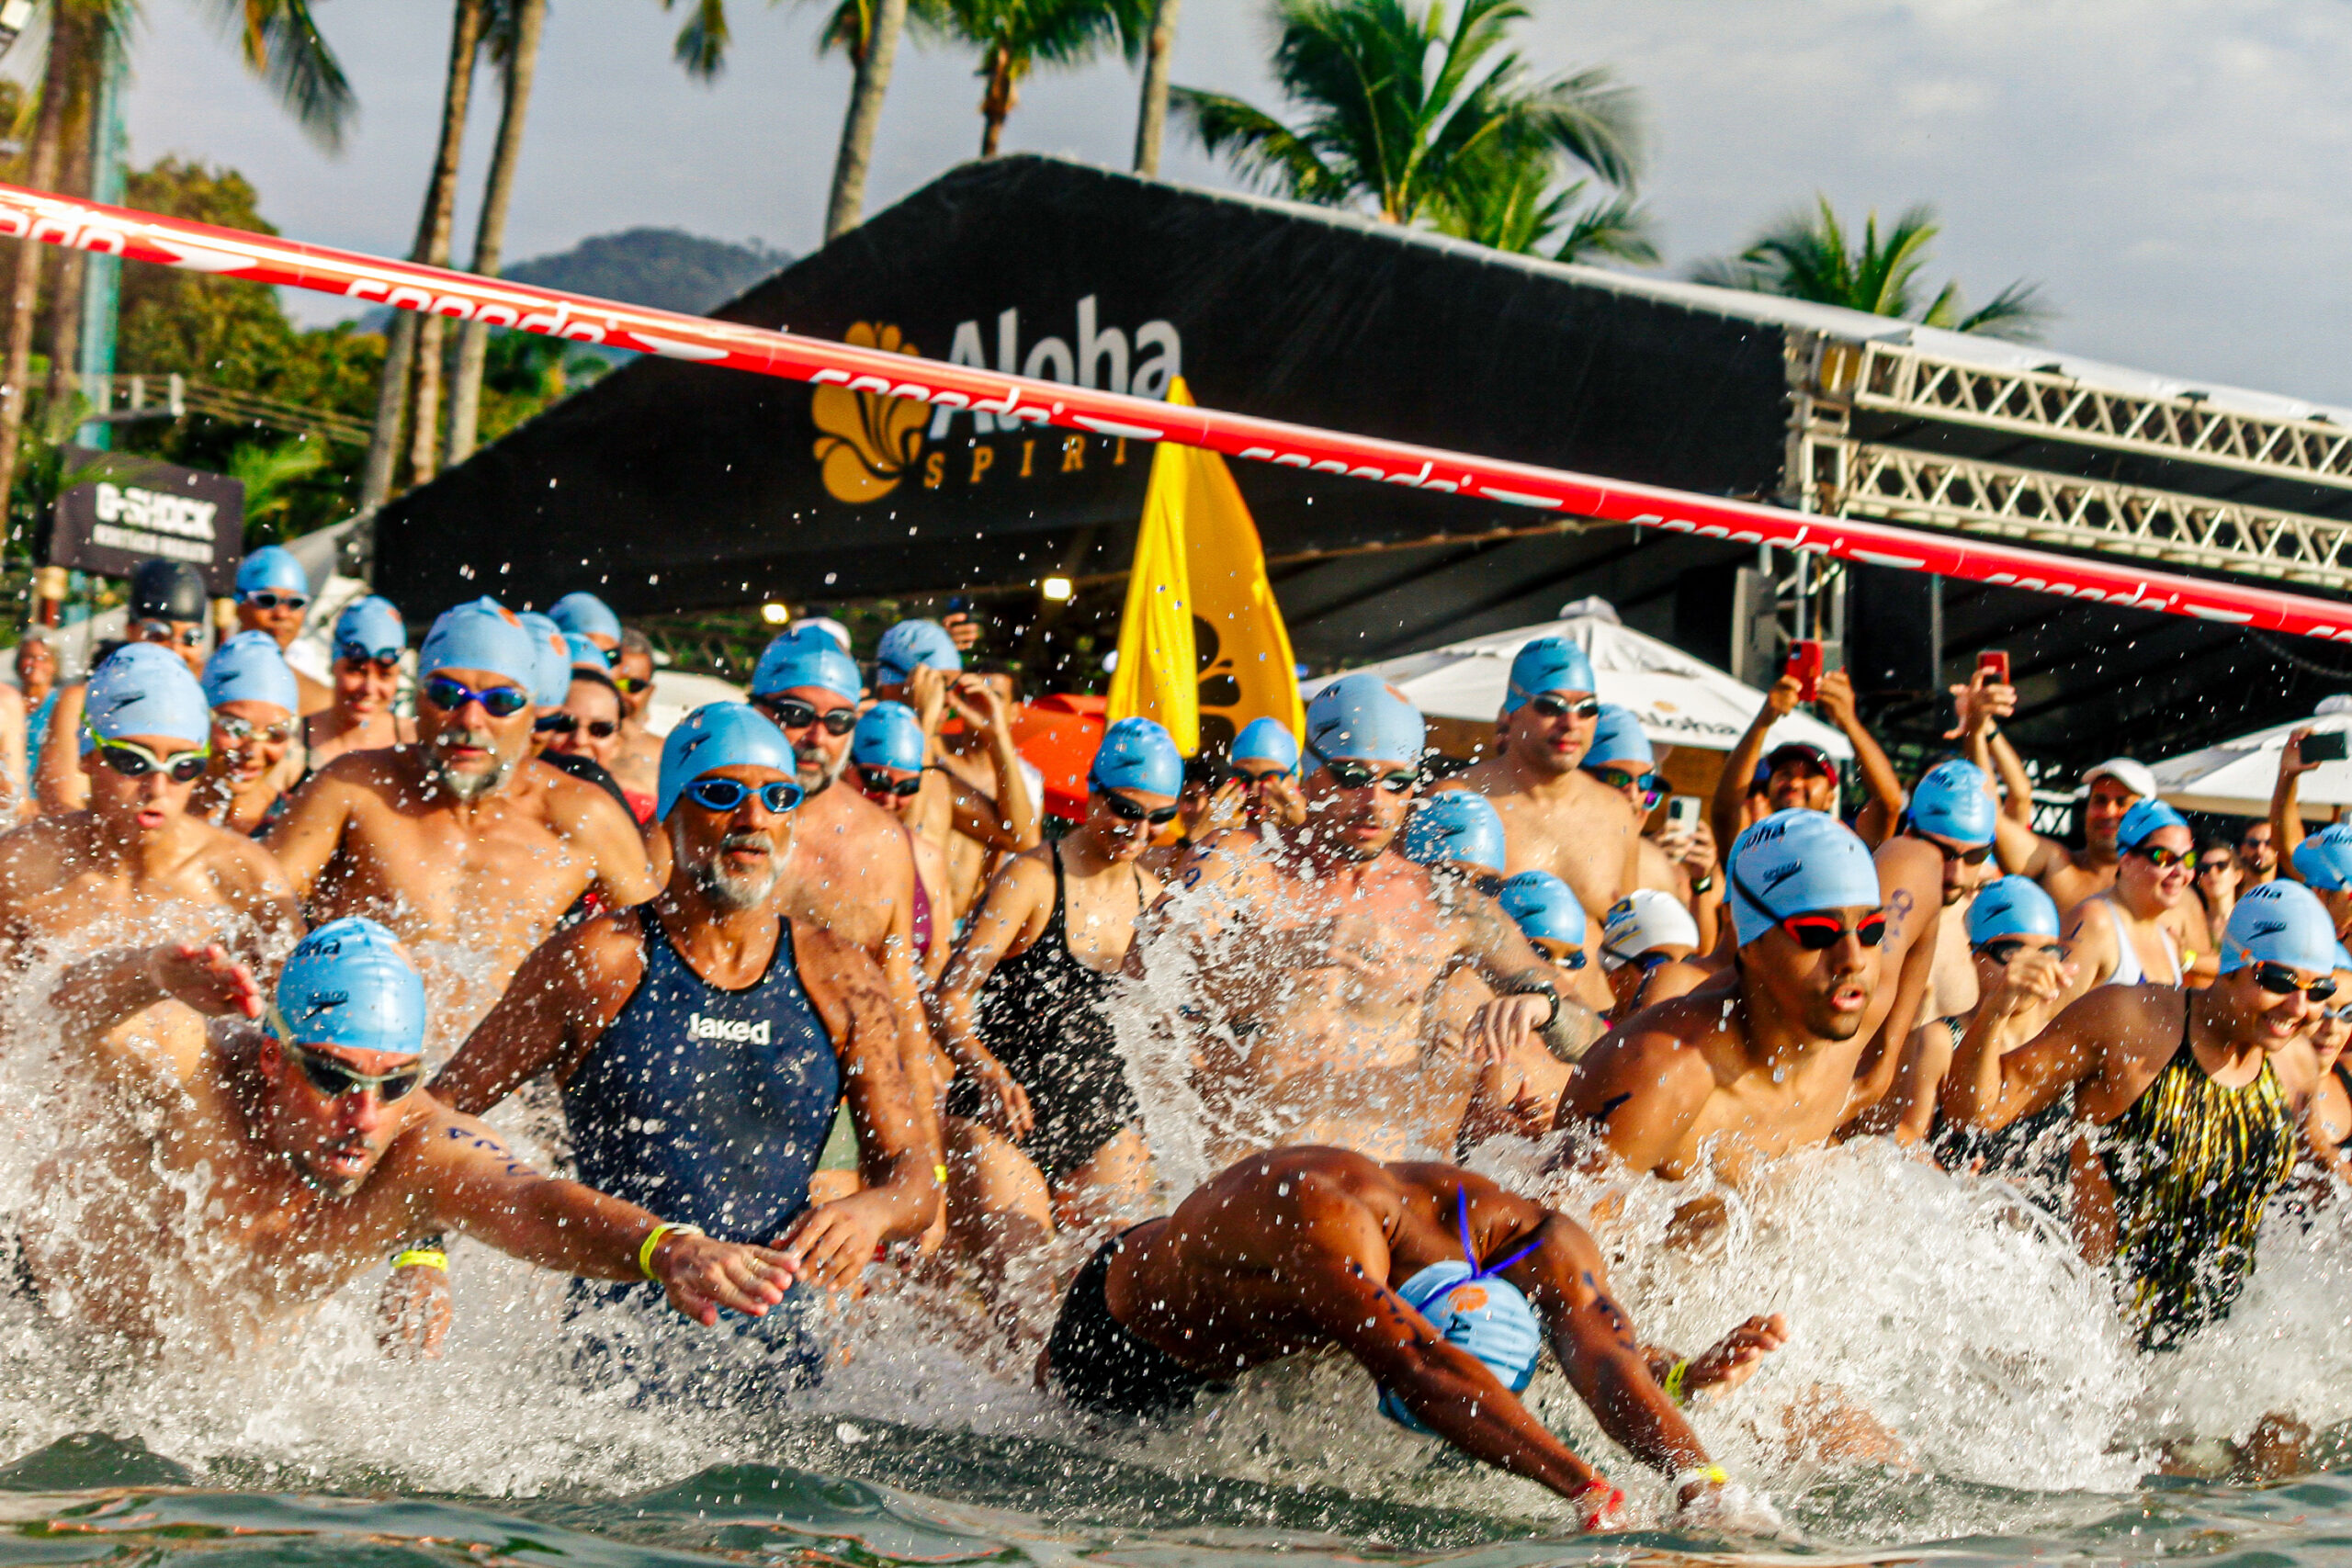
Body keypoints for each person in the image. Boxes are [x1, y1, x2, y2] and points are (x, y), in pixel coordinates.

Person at [421, 705, 939, 1362]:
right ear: (670, 814)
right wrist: (421, 1254)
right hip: (612, 1369)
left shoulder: (841, 975)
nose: (752, 818)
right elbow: (433, 1117)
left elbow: (914, 1178)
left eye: (778, 798)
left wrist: (874, 1212)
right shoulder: (600, 962)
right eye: (721, 794)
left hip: (786, 1368)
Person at [28, 916, 804, 1348]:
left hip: (194, 1392)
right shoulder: (196, 1069)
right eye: (332, 1078)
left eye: (395, 1082)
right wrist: (149, 975)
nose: (364, 1117)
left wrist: (665, 1248)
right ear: (272, 1056)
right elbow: (59, 1015)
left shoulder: (418, 1148)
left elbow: (530, 1200)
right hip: (45, 1331)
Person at [1043, 1147, 1786, 1532]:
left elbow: (1602, 1355)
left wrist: (1704, 1480)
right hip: (1134, 1338)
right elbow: (1420, 1367)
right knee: (1052, 1418)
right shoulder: (1323, 1215)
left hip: (1273, 1345)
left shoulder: (1535, 1238)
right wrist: (1590, 1489)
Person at [1159, 675, 1598, 1167]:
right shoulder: (1238, 861)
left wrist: (1544, 1006)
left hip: (1375, 1180)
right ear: (1308, 773)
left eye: (1397, 782)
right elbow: (1146, 973)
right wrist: (1281, 949)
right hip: (1241, 1178)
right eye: (1352, 777)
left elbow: (1594, 1036)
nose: (1375, 802)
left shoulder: (1447, 906)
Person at [1940, 879, 2334, 1351]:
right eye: (2279, 981)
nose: (2299, 1007)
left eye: (2319, 990)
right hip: (2097, 1341)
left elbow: (2325, 1176)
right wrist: (1998, 1008)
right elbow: (1974, 1112)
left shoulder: (2295, 1066)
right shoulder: (2130, 1020)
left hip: (2217, 1353)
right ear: (2232, 964)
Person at [267, 598, 658, 1046]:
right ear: (417, 700)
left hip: (493, 1075)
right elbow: (255, 909)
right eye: (447, 695)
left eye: (501, 702)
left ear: (534, 714)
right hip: (351, 1058)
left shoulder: (583, 817)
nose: (471, 719)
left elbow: (664, 961)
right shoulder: (352, 788)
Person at [1555, 809, 1945, 1183]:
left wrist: (1883, 1066)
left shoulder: (1860, 1011)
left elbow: (1922, 862)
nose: (1853, 959)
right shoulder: (1664, 1077)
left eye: (1872, 930)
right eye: (1817, 933)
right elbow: (1554, 1224)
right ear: (1749, 944)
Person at [933, 718, 1174, 1259]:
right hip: (1000, 1116)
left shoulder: (1154, 898)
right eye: (1126, 809)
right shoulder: (1032, 879)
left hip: (1103, 1119)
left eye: (1160, 817)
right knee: (1025, 1294)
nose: (1140, 830)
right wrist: (988, 1072)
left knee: (1110, 1288)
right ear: (1093, 792)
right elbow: (948, 999)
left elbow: (1158, 1022)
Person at [0, 645, 299, 1074]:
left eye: (183, 767)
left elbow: (298, 1042)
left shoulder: (244, 875)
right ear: (88, 754)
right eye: (131, 761)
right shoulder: (21, 865)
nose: (157, 787)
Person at [1432, 638, 1639, 931]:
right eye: (1551, 706)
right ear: (1512, 712)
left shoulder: (1616, 812)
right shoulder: (1457, 800)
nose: (1571, 723)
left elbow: (1627, 938)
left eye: (1586, 709)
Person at [1880, 875, 2075, 1162]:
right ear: (1974, 954)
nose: (2031, 968)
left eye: (2046, 953)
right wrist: (1958, 1185)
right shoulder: (1940, 1041)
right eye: (2011, 953)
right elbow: (1906, 1141)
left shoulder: (2064, 1040)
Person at [876, 619, 1040, 921]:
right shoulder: (883, 748)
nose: (946, 698)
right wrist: (923, 720)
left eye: (952, 686)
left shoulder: (941, 759)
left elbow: (1024, 840)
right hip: (902, 924)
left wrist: (997, 736)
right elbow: (903, 840)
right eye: (937, 684)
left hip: (953, 929)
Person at [36, 559, 212, 813]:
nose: (175, 648)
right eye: (157, 634)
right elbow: (62, 808)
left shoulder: (209, 709)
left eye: (191, 638)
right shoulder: (83, 700)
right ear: (130, 631)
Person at [1709, 666, 1904, 854]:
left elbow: (1889, 804)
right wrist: (1763, 721)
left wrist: (1849, 721)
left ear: (1830, 798)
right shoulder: (1752, 848)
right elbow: (1724, 810)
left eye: (1809, 776)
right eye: (1785, 774)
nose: (1794, 783)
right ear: (1769, 790)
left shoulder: (1847, 846)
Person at [1584, 705, 1719, 946]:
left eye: (1647, 784)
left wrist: (1701, 882)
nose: (1635, 796)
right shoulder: (1554, 849)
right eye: (1617, 779)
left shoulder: (1663, 869)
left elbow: (1699, 951)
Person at [2048, 799, 2189, 1009]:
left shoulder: (2168, 939)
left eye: (2189, 859)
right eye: (2164, 857)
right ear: (2127, 861)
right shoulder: (2095, 922)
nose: (2180, 871)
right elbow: (2048, 1017)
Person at [849, 701, 949, 982]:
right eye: (876, 781)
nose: (890, 798)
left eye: (906, 787)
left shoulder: (928, 858)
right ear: (847, 767)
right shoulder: (811, 842)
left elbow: (937, 959)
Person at [192, 632, 302, 838]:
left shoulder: (296, 822)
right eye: (235, 728)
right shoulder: (162, 811)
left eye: (275, 734)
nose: (252, 752)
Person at [303, 596, 415, 769]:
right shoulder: (292, 739)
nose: (369, 688)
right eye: (355, 671)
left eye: (385, 675)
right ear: (333, 666)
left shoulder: (414, 740)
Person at [232, 545, 333, 716]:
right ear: (239, 605)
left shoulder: (322, 702)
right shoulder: (200, 680)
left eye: (296, 602)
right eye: (267, 600)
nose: (281, 614)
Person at [1597, 888, 1710, 1020]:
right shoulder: (1589, 1029)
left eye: (1689, 963)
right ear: (1616, 974)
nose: (1676, 976)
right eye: (1658, 964)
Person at [1228, 715, 1307, 831]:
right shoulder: (1218, 836)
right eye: (1243, 777)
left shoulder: (1326, 830)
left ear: (1295, 781)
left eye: (1271, 777)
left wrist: (1302, 827)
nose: (1254, 792)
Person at [2240, 819, 2279, 887]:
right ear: (2242, 849)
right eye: (2253, 843)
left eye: (2269, 843)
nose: (2260, 850)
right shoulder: (2227, 890)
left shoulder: (2291, 889)